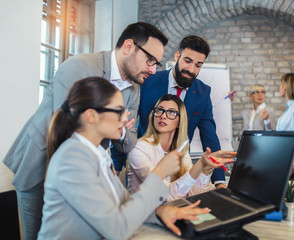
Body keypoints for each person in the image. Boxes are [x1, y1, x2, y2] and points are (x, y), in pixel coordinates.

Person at [2, 22, 167, 240]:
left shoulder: (134, 89)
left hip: (86, 169)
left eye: (157, 63)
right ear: (128, 46)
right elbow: (71, 131)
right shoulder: (79, 67)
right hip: (40, 161)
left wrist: (122, 132)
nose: (154, 69)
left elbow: (128, 144)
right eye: (150, 60)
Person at [38, 77, 210, 239]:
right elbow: (116, 229)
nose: (126, 117)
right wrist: (159, 173)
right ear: (91, 116)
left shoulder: (95, 153)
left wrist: (159, 212)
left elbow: (125, 203)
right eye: (119, 111)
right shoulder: (72, 160)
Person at [137, 35, 227, 188]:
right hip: (144, 162)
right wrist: (117, 165)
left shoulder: (202, 93)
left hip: (181, 167)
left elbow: (209, 136)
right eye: (188, 61)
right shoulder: (149, 82)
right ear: (177, 56)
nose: (191, 70)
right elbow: (129, 124)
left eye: (198, 65)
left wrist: (220, 182)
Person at [128, 94, 236, 201]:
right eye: (159, 110)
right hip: (145, 215)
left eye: (171, 112)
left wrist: (206, 169)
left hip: (172, 211)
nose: (163, 116)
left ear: (179, 122)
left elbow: (195, 192)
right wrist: (199, 165)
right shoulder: (139, 149)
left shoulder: (181, 151)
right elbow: (165, 196)